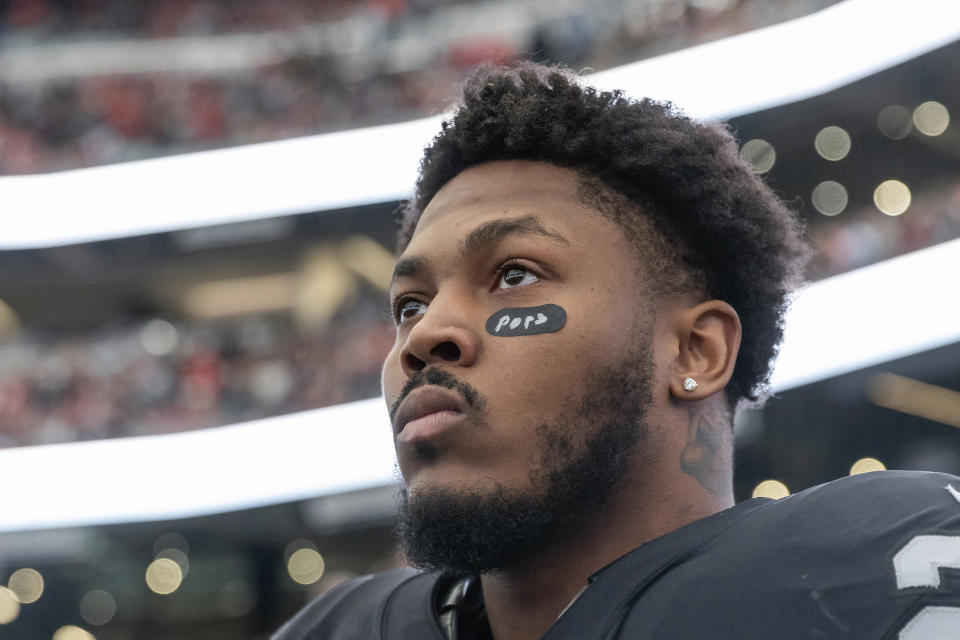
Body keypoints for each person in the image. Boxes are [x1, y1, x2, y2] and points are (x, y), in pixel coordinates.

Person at [273, 62, 960, 640]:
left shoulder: (882, 566)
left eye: (514, 275)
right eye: (409, 306)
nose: (423, 336)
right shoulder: (343, 627)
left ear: (695, 351)